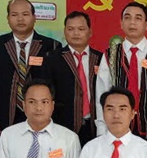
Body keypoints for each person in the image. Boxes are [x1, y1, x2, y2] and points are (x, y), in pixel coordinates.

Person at [96, 2, 147, 155]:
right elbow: (102, 95)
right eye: (127, 18)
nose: (132, 22)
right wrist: (102, 130)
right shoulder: (110, 54)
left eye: (138, 18)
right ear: (121, 23)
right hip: (117, 131)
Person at [0, 0, 61, 138]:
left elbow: (56, 86)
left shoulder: (52, 46)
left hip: (40, 114)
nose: (20, 19)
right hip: (4, 114)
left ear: (34, 17)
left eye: (25, 14)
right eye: (14, 15)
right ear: (8, 18)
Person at [36, 11, 105, 145]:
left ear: (90, 32)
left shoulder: (101, 59)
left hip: (95, 126)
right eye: (71, 29)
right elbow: (46, 93)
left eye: (81, 29)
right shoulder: (52, 58)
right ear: (65, 32)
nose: (76, 33)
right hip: (63, 125)